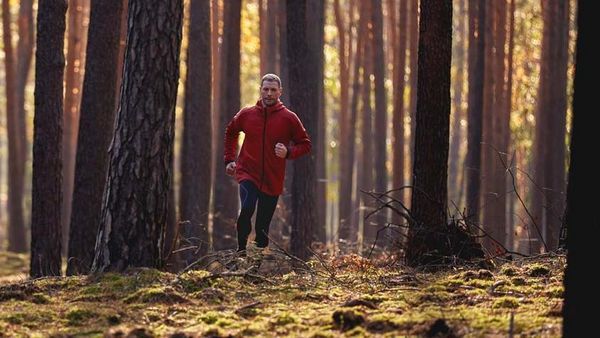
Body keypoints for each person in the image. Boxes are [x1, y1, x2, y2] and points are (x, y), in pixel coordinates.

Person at [224, 73, 311, 255]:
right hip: (248, 172)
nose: (269, 93)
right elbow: (231, 132)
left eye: (273, 90)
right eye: (266, 89)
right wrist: (230, 159)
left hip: (272, 179)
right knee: (247, 208)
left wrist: (288, 152)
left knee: (262, 227)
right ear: (260, 90)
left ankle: (253, 269)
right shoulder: (247, 114)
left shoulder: (289, 118)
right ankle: (240, 253)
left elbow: (305, 144)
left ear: (280, 92)